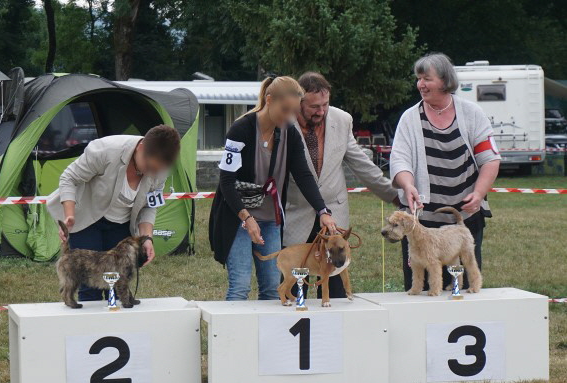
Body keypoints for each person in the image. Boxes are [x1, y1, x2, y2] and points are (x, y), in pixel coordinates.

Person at [209, 76, 338, 301]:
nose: (289, 117)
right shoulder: (240, 129)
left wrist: (322, 212)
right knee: (239, 286)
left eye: (294, 112)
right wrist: (247, 218)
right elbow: (226, 182)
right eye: (285, 110)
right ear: (269, 100)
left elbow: (304, 175)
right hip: (237, 217)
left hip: (271, 220)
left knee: (271, 289)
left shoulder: (289, 132)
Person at [390, 53, 501, 290]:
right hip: (421, 220)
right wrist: (408, 186)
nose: (420, 84)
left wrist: (479, 194)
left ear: (444, 80)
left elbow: (490, 159)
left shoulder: (473, 113)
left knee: (463, 284)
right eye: (418, 79)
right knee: (420, 284)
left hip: (466, 216)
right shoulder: (409, 118)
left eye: (426, 78)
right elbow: (400, 161)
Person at [285, 72, 398, 299]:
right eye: (315, 106)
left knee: (335, 284)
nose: (322, 111)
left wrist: (393, 194)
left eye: (325, 104)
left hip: (334, 213)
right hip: (296, 212)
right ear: (298, 102)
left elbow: (360, 163)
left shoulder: (342, 119)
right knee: (296, 282)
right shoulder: (283, 122)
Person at [47, 125, 181, 301]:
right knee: (90, 286)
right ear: (141, 147)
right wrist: (69, 214)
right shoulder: (104, 150)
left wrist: (147, 238)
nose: (151, 173)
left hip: (122, 224)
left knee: (119, 283)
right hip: (88, 217)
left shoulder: (160, 170)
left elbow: (149, 205)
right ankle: (91, 327)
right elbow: (68, 178)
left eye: (156, 170)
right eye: (148, 166)